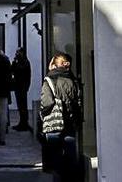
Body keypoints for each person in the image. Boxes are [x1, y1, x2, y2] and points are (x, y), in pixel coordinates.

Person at [40, 52, 82, 180]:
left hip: (54, 124)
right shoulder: (73, 80)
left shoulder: (49, 79)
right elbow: (78, 102)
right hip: (70, 123)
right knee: (70, 159)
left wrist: (42, 113)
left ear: (53, 65)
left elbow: (47, 102)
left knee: (55, 161)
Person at [11, 48, 33, 131]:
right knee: (20, 105)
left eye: (18, 52)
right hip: (19, 86)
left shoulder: (25, 62)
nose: (16, 53)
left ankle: (24, 123)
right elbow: (12, 70)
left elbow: (21, 71)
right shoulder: (19, 62)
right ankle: (22, 122)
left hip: (22, 86)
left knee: (22, 105)